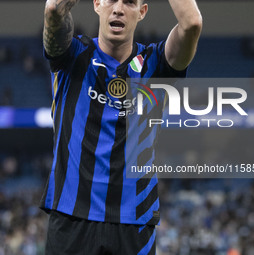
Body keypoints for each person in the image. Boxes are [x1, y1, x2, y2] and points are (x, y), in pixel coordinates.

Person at [40, 0, 202, 254]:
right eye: (111, 0)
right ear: (97, 4)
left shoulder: (156, 64)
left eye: (128, 2)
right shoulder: (71, 55)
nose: (118, 8)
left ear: (142, 11)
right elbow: (53, 10)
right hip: (71, 217)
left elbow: (192, 23)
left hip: (134, 222)